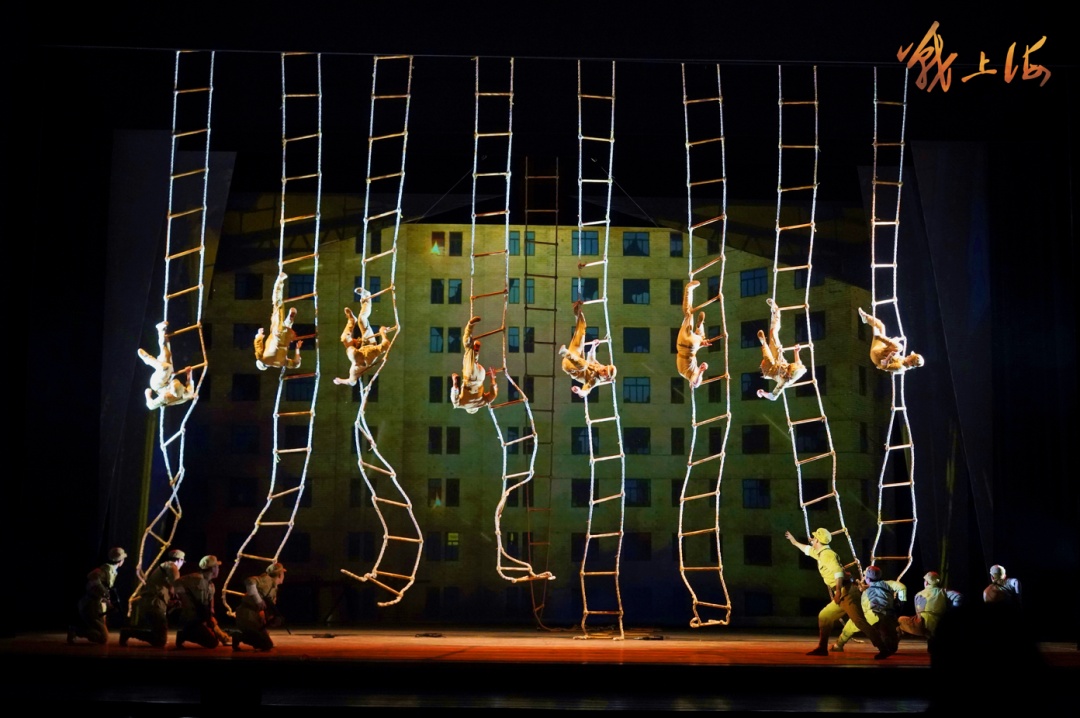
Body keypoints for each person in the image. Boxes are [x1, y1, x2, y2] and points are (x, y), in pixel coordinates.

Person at [784, 528, 891, 658]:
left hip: (847, 593)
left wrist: (838, 592)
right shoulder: (820, 553)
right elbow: (807, 549)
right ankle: (822, 648)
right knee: (825, 616)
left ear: (817, 540)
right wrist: (794, 542)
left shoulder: (827, 554)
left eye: (814, 537)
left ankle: (883, 648)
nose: (812, 539)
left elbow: (838, 573)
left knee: (859, 622)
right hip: (843, 593)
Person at [121, 549, 185, 648]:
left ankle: (129, 633)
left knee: (159, 635)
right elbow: (177, 586)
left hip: (152, 603)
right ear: (180, 560)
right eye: (183, 561)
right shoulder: (172, 567)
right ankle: (128, 633)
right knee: (161, 640)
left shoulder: (165, 567)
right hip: (154, 604)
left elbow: (168, 588)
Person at [832, 570, 906, 653]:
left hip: (872, 616)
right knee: (890, 642)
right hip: (888, 616)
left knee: (851, 625)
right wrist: (900, 602)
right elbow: (902, 587)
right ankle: (893, 637)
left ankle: (838, 645)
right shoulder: (887, 584)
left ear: (868, 579)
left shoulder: (868, 591)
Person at [68, 547, 126, 645]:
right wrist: (104, 592)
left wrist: (108, 602)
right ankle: (76, 630)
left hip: (97, 604)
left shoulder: (112, 570)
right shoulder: (106, 569)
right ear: (121, 560)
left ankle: (81, 630)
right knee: (103, 638)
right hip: (90, 605)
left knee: (102, 631)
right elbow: (92, 576)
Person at [333, 288, 391, 386]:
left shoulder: (355, 363)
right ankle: (367, 297)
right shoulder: (371, 353)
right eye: (354, 347)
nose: (355, 342)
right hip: (369, 343)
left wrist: (340, 380)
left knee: (344, 338)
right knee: (362, 319)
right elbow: (386, 345)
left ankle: (352, 320)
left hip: (361, 348)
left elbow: (351, 381)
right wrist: (382, 332)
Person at [559, 300, 617, 398]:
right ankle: (577, 311)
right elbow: (591, 357)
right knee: (581, 333)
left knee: (584, 365)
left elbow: (585, 392)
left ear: (605, 377)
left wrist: (578, 391)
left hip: (570, 366)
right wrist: (594, 346)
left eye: (604, 371)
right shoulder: (600, 367)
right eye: (604, 368)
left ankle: (566, 353)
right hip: (575, 356)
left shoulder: (594, 381)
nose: (602, 368)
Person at [174, 555, 231, 649]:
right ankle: (184, 634)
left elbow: (208, 609)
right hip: (192, 618)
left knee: (212, 635)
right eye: (217, 567)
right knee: (212, 643)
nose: (218, 569)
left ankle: (193, 631)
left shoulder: (210, 584)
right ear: (212, 569)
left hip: (198, 616)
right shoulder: (199, 581)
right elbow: (202, 608)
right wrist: (184, 599)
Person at [138, 321, 196, 410]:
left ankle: (148, 360)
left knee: (166, 368)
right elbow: (189, 384)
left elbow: (150, 406)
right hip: (168, 378)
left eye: (172, 386)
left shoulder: (166, 397)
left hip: (158, 385)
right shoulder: (187, 393)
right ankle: (160, 330)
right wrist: (189, 373)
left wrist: (148, 395)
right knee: (166, 353)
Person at [757, 298, 806, 401]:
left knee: (768, 359)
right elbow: (798, 362)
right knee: (773, 333)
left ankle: (764, 344)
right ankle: (776, 312)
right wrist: (796, 352)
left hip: (771, 371)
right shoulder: (797, 370)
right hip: (779, 361)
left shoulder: (784, 382)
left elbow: (773, 397)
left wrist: (762, 393)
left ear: (790, 375)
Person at [254, 272, 303, 371]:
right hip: (276, 334)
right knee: (277, 305)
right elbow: (258, 347)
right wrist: (259, 335)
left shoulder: (281, 363)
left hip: (285, 337)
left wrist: (297, 349)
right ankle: (279, 281)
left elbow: (296, 364)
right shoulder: (262, 359)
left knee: (285, 329)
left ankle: (289, 319)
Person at [234, 562, 287, 651]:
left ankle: (253, 638)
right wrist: (258, 600)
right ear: (279, 575)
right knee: (266, 645)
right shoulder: (267, 580)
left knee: (267, 643)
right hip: (247, 615)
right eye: (283, 574)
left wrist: (271, 618)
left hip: (253, 616)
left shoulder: (273, 587)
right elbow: (249, 581)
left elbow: (268, 605)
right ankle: (238, 636)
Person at [450, 315, 498, 413]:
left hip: (481, 376)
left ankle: (475, 352)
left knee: (472, 361)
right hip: (470, 378)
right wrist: (454, 382)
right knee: (468, 348)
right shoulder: (461, 404)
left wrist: (493, 378)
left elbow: (493, 396)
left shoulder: (482, 403)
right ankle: (470, 326)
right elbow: (455, 399)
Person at [899, 571, 961, 646]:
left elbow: (917, 612)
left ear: (927, 582)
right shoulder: (943, 592)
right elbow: (959, 596)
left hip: (921, 626)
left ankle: (892, 644)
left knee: (900, 620)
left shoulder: (919, 594)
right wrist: (953, 610)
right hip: (939, 625)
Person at [858, 307, 924, 374]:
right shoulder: (904, 361)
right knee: (881, 326)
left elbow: (883, 366)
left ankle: (879, 336)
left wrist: (890, 356)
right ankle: (865, 318)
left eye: (910, 357)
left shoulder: (900, 367)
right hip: (880, 351)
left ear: (910, 363)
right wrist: (895, 341)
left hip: (877, 356)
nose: (907, 356)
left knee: (899, 347)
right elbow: (893, 353)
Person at [675, 280, 715, 389]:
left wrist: (701, 371)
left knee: (701, 338)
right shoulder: (682, 371)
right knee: (688, 313)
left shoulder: (692, 374)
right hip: (681, 343)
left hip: (691, 346)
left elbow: (696, 383)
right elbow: (689, 355)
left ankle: (700, 329)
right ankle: (688, 289)